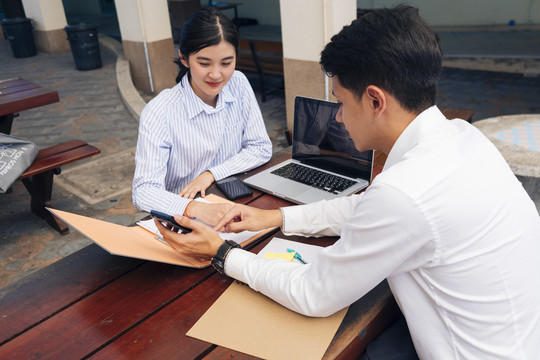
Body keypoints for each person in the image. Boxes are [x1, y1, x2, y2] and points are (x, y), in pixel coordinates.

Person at [155, 5, 540, 359]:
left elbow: (314, 294)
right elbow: (369, 208)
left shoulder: (405, 193)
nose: (337, 118)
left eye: (340, 101)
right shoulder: (461, 138)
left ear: (375, 101)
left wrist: (222, 253)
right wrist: (273, 219)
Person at [132, 7, 272, 225]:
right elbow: (143, 191)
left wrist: (211, 174)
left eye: (226, 63)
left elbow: (260, 147)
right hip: (182, 218)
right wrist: (194, 208)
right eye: (204, 63)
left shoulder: (238, 83)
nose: (216, 74)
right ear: (184, 58)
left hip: (234, 203)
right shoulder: (160, 111)